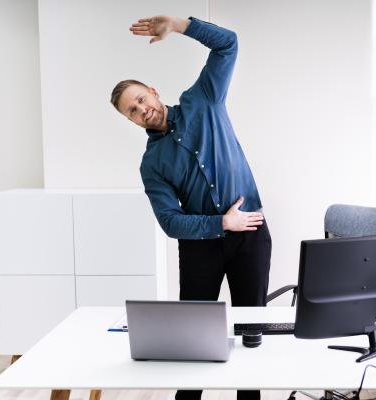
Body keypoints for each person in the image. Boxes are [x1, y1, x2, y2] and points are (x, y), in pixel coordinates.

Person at [110, 15, 271, 400]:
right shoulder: (152, 163)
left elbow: (228, 43)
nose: (141, 109)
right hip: (202, 249)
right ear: (130, 120)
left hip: (250, 232)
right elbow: (170, 222)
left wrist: (180, 25)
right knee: (194, 342)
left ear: (152, 90)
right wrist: (221, 223)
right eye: (131, 111)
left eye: (140, 99)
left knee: (252, 336)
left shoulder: (202, 99)